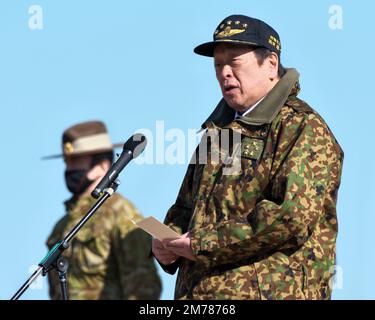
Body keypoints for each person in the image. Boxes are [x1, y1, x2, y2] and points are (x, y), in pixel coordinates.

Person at [152, 14, 344, 300]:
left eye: (234, 62)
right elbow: (185, 208)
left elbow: (289, 217)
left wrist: (201, 243)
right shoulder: (217, 133)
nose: (224, 73)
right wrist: (167, 242)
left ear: (271, 65)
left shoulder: (301, 127)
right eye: (218, 64)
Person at [45, 120, 162, 300]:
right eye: (67, 161)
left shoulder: (121, 213)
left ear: (103, 165)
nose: (69, 169)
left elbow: (143, 286)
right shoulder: (61, 226)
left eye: (76, 160)